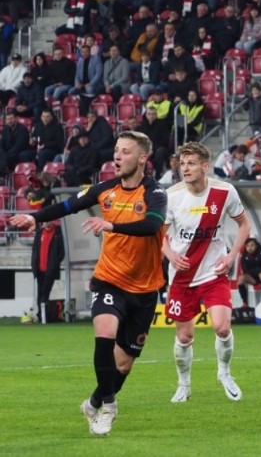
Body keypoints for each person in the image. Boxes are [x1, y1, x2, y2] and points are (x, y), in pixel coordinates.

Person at [10, 131, 167, 436]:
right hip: (109, 280)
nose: (117, 157)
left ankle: (94, 402)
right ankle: (109, 406)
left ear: (143, 158)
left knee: (123, 366)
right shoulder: (104, 189)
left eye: (125, 152)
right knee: (104, 334)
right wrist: (35, 218)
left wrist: (110, 224)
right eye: (116, 151)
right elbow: (68, 206)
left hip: (145, 290)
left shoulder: (155, 192)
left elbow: (153, 225)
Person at [162, 142, 252, 403]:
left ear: (204, 166)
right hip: (182, 277)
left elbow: (244, 225)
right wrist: (171, 256)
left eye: (191, 163)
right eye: (182, 163)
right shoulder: (172, 196)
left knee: (222, 327)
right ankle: (183, 385)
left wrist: (231, 255)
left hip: (214, 273)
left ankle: (224, 373)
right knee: (184, 336)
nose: (184, 168)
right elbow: (159, 234)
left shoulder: (225, 192)